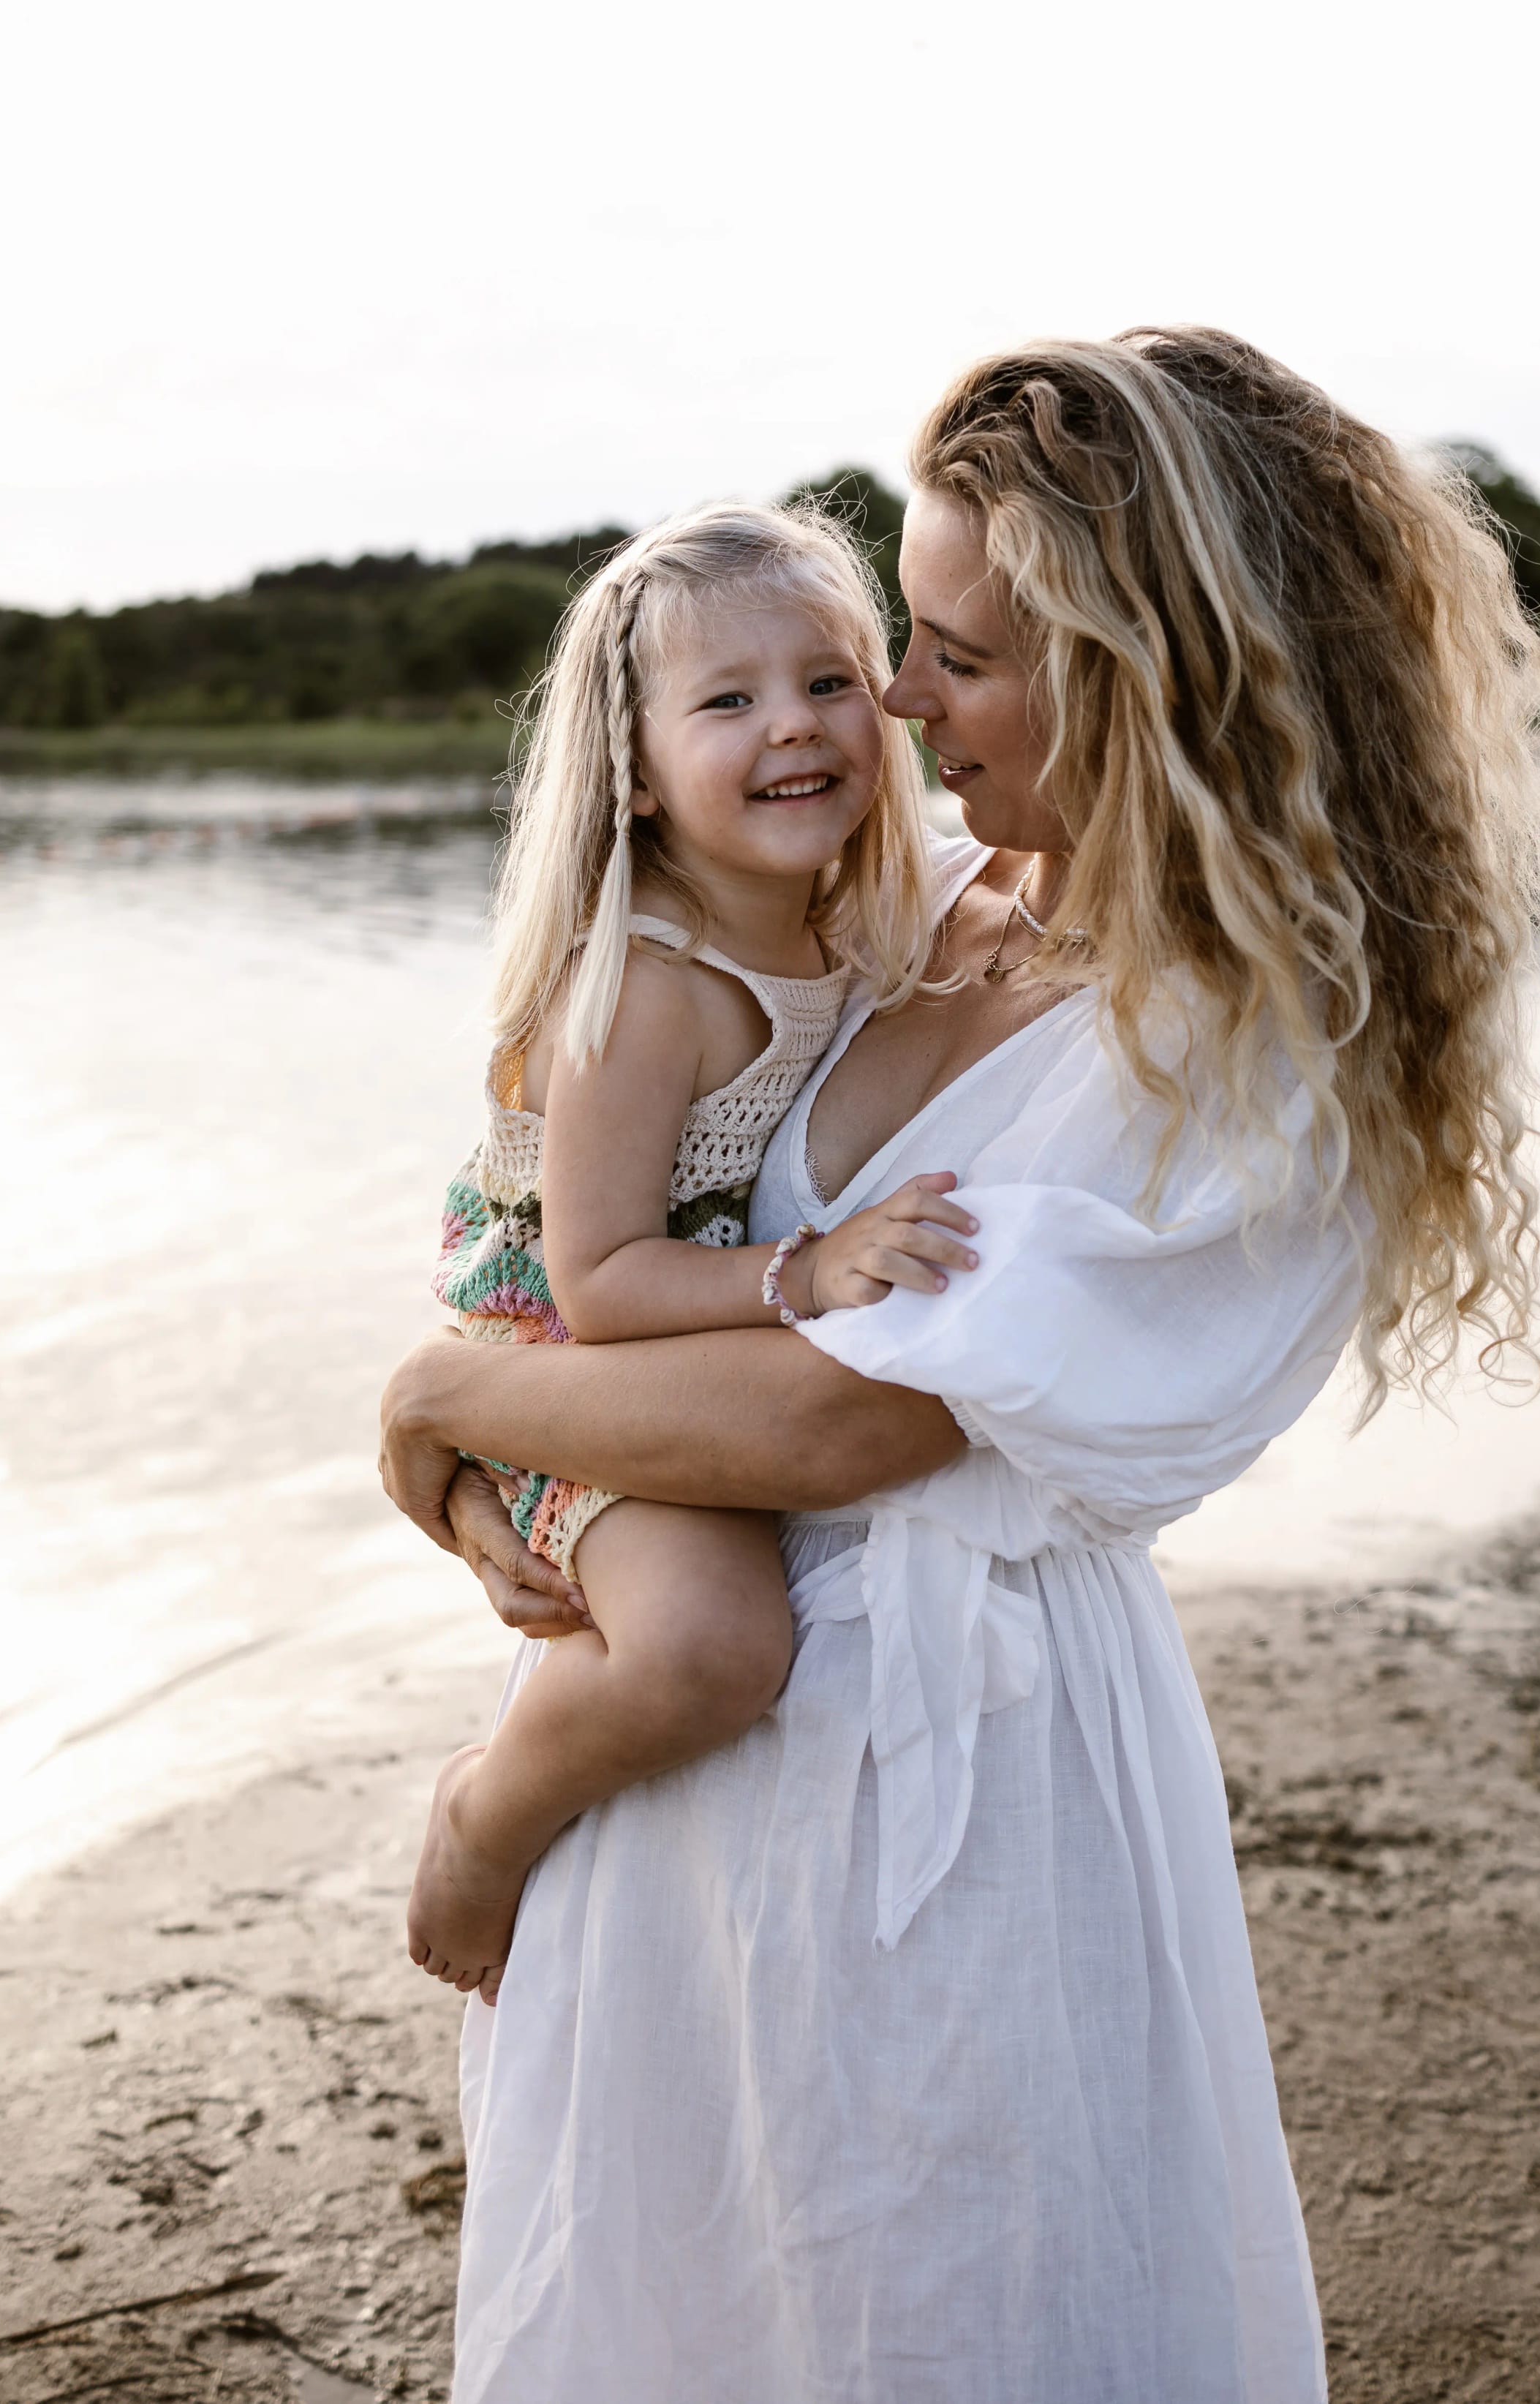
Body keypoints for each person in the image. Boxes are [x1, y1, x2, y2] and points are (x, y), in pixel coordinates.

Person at [380, 328, 1540, 2403]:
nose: (898, 705)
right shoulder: (939, 889)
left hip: (950, 1789)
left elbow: (843, 1417)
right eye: (896, 644)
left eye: (957, 654)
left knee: (940, 2304)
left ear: (1153, 673)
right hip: (679, 1734)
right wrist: (503, 1456)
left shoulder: (1239, 1049)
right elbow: (641, 1201)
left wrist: (436, 1406)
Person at [409, 500, 984, 2003]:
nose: (789, 727)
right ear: (640, 775)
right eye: (725, 700)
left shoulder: (848, 907)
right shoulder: (647, 985)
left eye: (826, 680)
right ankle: (484, 1814)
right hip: (559, 1337)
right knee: (711, 1649)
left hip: (676, 1321)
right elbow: (594, 1285)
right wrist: (807, 1267)